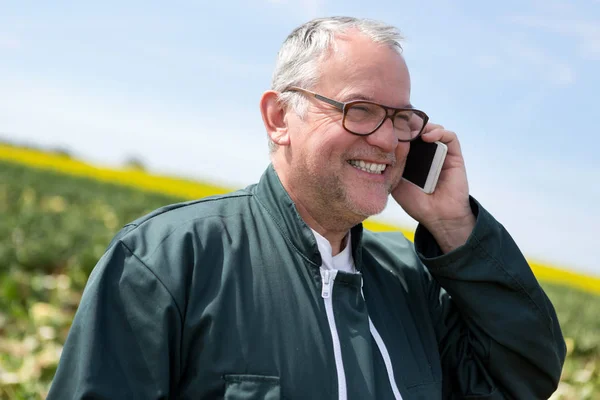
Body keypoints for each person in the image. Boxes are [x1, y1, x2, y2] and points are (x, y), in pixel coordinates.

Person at [48, 16, 566, 399]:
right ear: (278, 117)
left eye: (402, 119)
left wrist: (454, 226)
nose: (387, 140)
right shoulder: (167, 261)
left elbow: (521, 377)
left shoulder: (410, 281)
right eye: (360, 110)